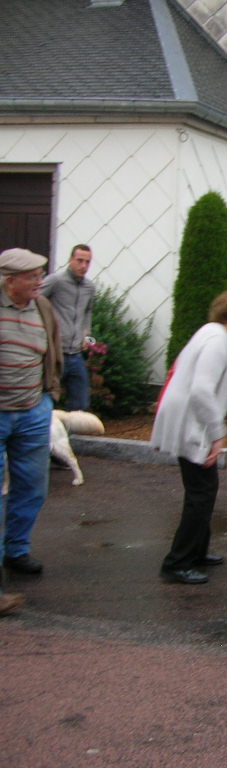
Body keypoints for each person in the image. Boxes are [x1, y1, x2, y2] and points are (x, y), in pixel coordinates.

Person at [152, 290, 227, 585]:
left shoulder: (211, 334)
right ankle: (177, 563)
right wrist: (217, 433)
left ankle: (197, 551)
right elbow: (200, 390)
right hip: (193, 425)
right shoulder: (217, 342)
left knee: (203, 491)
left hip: (187, 420)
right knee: (201, 493)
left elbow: (200, 375)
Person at [1, 248, 62, 600]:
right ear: (10, 281)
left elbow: (52, 349)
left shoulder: (42, 307)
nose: (40, 282)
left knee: (32, 486)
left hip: (33, 409)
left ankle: (16, 549)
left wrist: (48, 394)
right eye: (32, 277)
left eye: (41, 274)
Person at [40, 244, 95, 411]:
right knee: (47, 398)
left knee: (81, 403)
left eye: (87, 262)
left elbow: (87, 313)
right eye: (79, 261)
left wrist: (86, 334)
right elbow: (35, 300)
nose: (83, 266)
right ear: (70, 260)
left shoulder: (89, 288)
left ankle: (73, 436)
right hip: (55, 353)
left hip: (76, 354)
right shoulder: (56, 281)